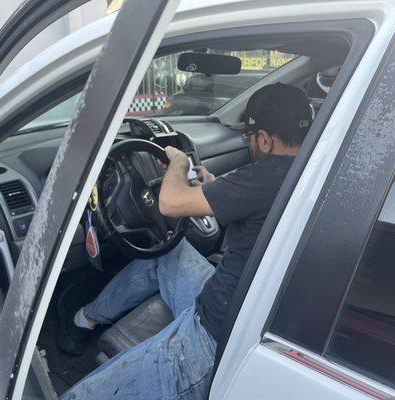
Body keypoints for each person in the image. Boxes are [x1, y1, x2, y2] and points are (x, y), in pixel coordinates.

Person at [59, 83, 313, 399]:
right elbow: (251, 202)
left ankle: (82, 326)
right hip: (237, 301)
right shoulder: (314, 168)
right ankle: (85, 319)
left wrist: (178, 165)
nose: (249, 144)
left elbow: (169, 204)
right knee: (170, 253)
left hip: (212, 337)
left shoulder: (268, 175)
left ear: (265, 139)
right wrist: (213, 186)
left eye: (249, 138)